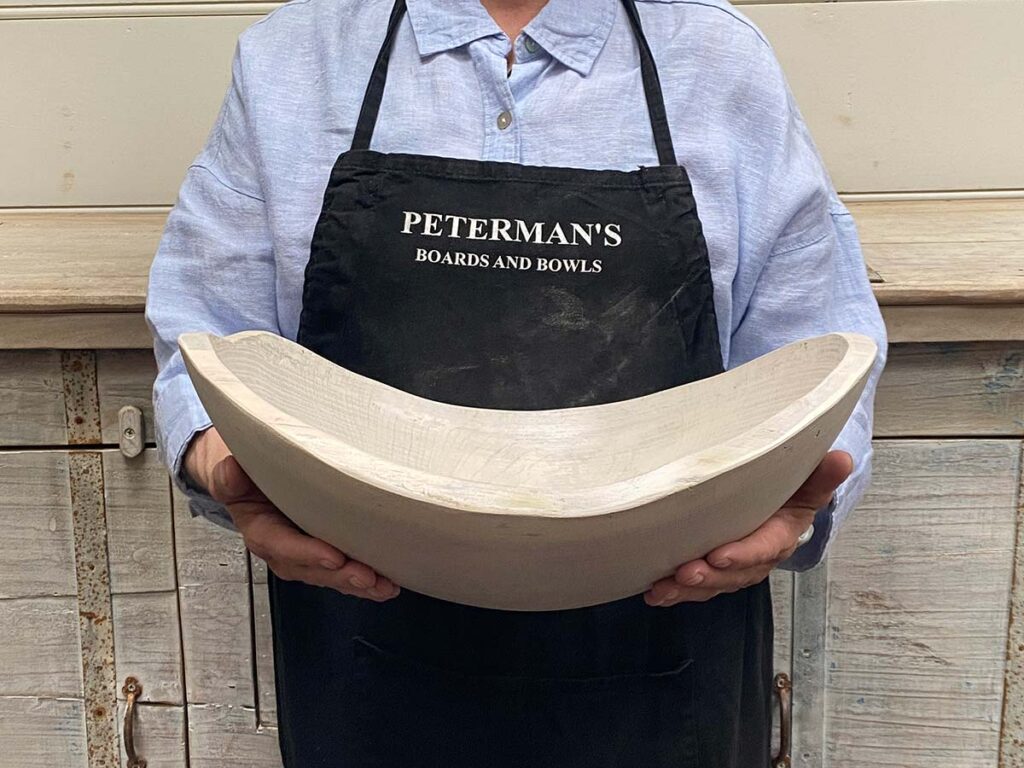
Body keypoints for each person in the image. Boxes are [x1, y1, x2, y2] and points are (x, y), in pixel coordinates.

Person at [146, 0, 888, 765]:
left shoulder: (719, 59)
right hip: (365, 657)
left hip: (669, 664)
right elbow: (210, 336)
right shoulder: (291, 60)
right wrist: (223, 465)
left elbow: (818, 345)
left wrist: (793, 508)